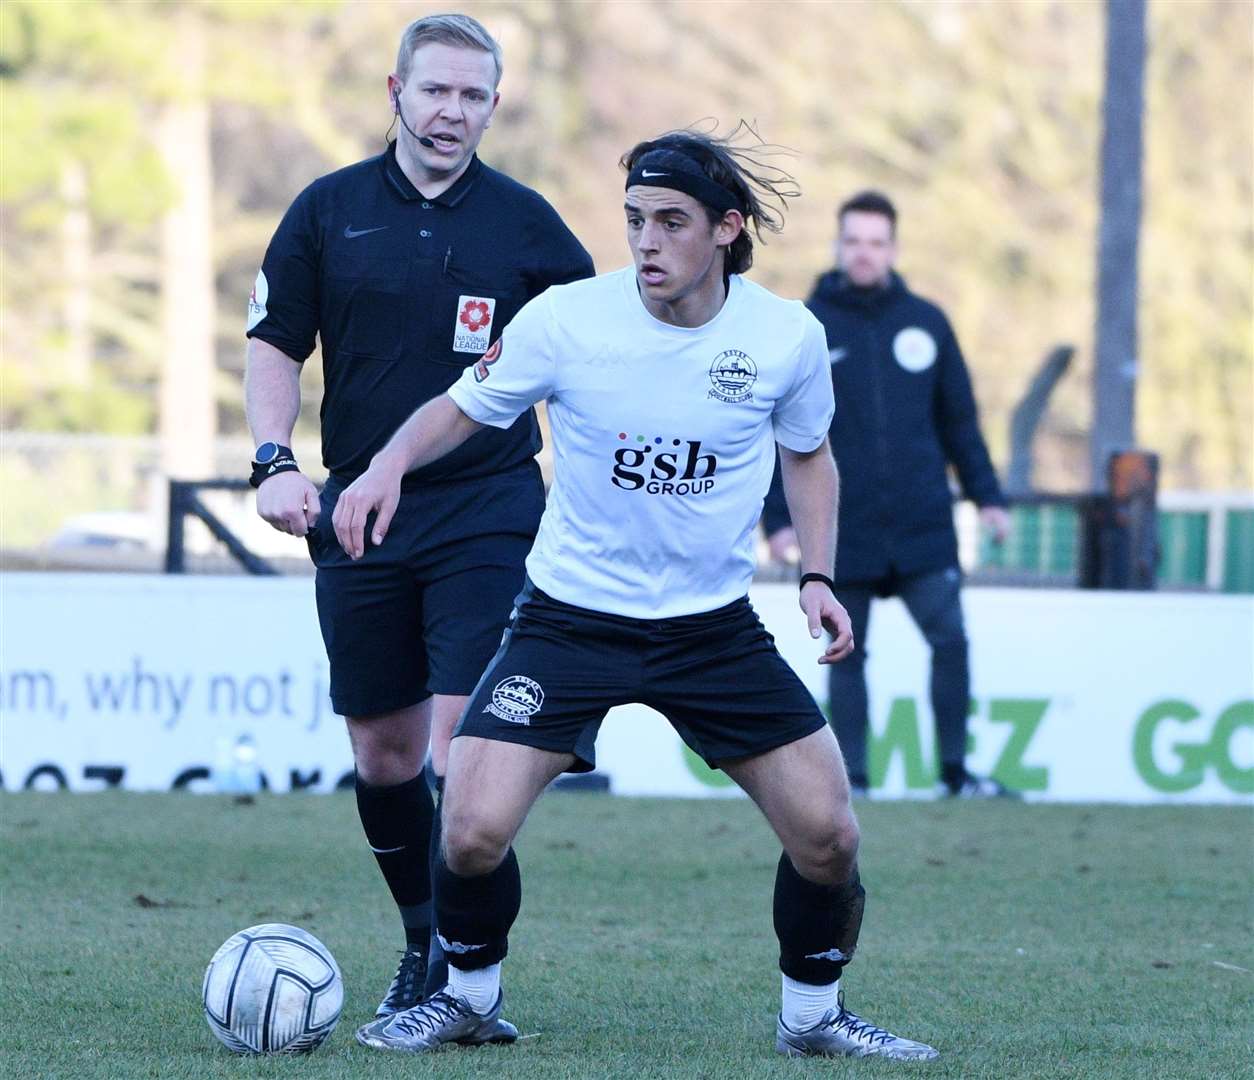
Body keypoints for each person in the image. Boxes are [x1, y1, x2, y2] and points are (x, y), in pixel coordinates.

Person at [334, 127, 939, 1061]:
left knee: (829, 835)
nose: (645, 241)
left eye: (670, 221)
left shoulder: (786, 336)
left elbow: (810, 457)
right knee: (468, 826)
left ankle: (813, 1017)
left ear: (727, 230)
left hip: (713, 631)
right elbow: (463, 404)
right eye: (633, 220)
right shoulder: (569, 320)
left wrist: (817, 575)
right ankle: (468, 996)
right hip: (569, 619)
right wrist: (387, 468)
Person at [243, 13, 594, 1025]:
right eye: (435, 91)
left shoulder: (527, 225)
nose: (452, 111)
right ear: (395, 92)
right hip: (359, 509)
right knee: (385, 758)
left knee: (463, 754)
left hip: (488, 509)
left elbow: (599, 351)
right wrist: (273, 460)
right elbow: (275, 341)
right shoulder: (327, 209)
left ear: (494, 105)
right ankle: (423, 938)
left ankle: (464, 970)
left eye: (473, 95)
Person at [762, 190, 1013, 799]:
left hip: (924, 527)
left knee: (950, 641)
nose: (864, 253)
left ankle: (956, 775)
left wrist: (988, 497)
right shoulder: (806, 326)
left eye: (876, 243)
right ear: (838, 246)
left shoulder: (928, 323)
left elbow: (960, 422)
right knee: (846, 655)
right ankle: (853, 780)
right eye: (854, 241)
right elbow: (776, 431)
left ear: (893, 249)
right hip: (844, 530)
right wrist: (778, 521)